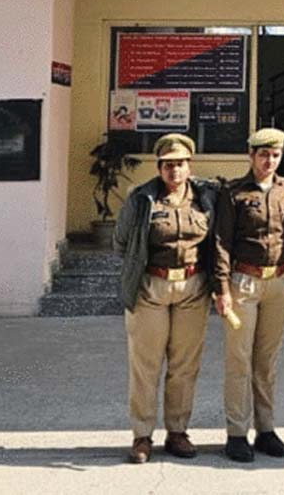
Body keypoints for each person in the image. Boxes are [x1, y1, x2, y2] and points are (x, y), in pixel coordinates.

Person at [113, 133, 217, 464]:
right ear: (159, 167)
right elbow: (121, 242)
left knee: (185, 365)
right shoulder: (141, 198)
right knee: (145, 365)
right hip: (151, 288)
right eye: (168, 164)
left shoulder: (206, 197)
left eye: (181, 164)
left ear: (190, 166)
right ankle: (142, 435)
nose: (175, 170)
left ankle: (177, 431)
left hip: (193, 287)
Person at [213, 127, 284, 463]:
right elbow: (221, 243)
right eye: (264, 154)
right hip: (244, 282)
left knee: (267, 361)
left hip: (278, 281)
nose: (270, 161)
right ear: (251, 155)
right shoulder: (234, 193)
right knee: (239, 359)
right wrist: (222, 288)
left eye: (275, 155)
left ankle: (266, 429)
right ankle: (237, 432)